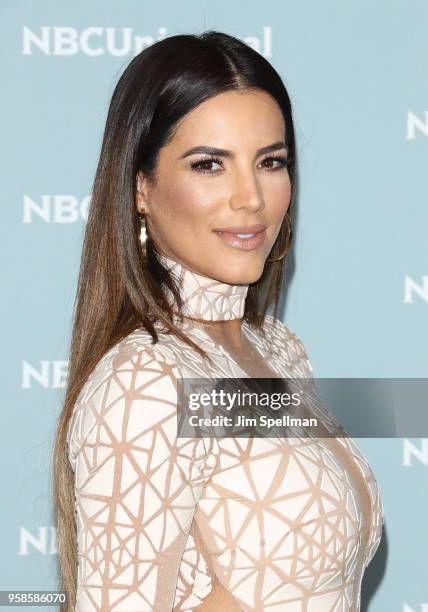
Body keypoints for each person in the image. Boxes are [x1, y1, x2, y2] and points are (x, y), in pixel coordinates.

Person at [52, 30, 384, 611]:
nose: (250, 197)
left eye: (270, 162)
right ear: (141, 188)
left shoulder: (278, 349)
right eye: (209, 164)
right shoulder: (147, 382)